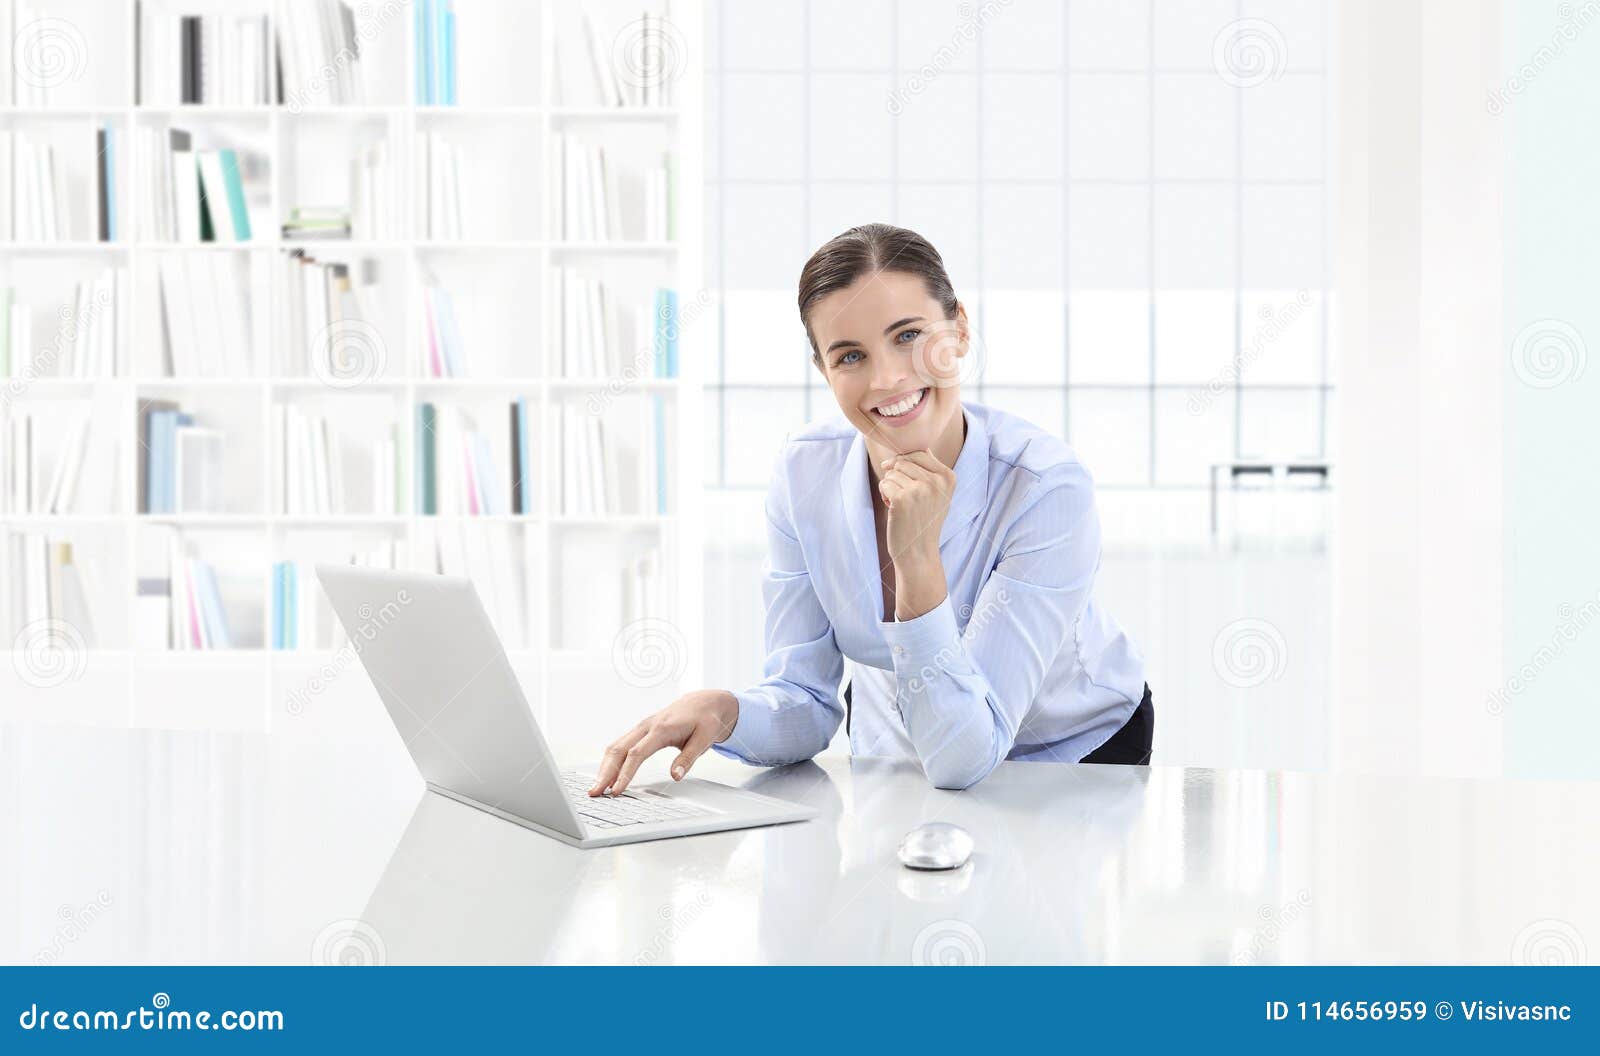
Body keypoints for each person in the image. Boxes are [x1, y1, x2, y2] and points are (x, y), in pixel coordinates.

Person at [590, 222, 1151, 794]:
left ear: (958, 329)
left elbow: (966, 757)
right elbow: (805, 699)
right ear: (823, 371)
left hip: (1075, 748)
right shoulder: (804, 472)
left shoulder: (1044, 487)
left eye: (908, 336)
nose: (887, 379)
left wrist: (916, 559)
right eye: (850, 355)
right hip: (908, 743)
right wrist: (725, 711)